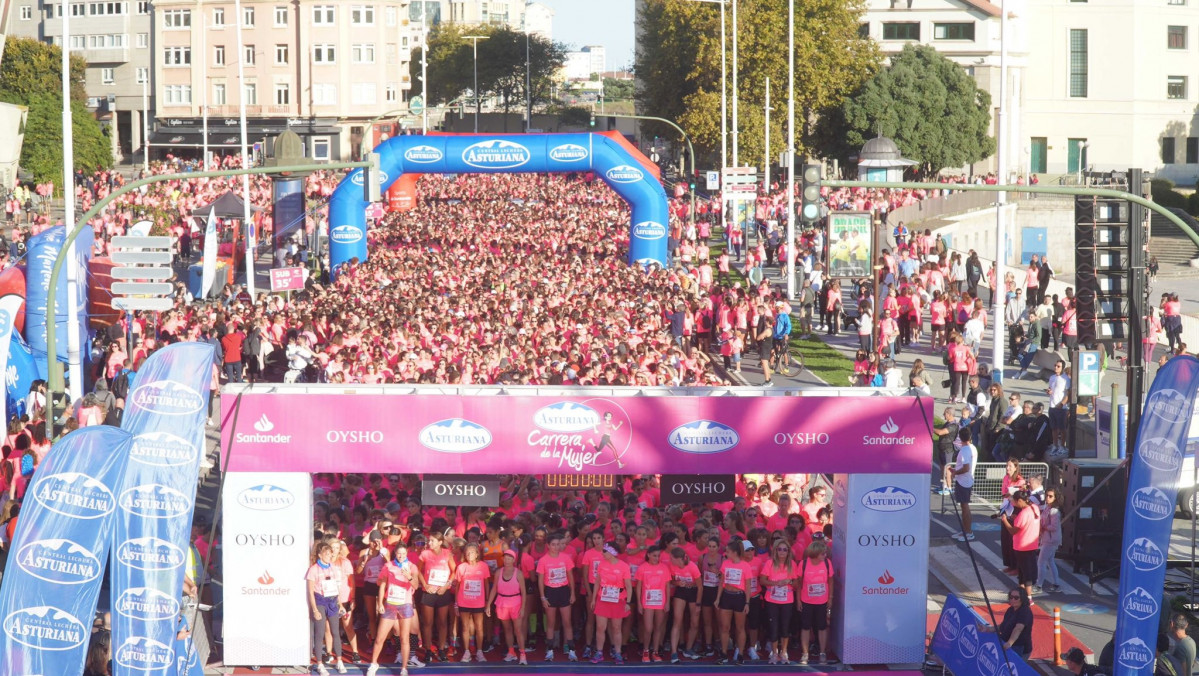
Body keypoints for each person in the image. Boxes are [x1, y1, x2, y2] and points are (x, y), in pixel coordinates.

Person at [366, 543, 425, 676]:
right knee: (380, 637)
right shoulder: (389, 566)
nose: (401, 556)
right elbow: (382, 584)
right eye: (399, 553)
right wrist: (380, 603)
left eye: (404, 554)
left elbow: (416, 585)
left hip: (405, 605)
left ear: (407, 554)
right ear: (395, 553)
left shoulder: (412, 566)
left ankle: (404, 668)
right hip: (390, 604)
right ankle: (373, 664)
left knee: (405, 638)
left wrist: (408, 576)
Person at [307, 542, 349, 675]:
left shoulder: (335, 568)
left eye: (330, 553)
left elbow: (337, 588)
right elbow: (310, 592)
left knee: (335, 632)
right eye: (326, 554)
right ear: (320, 555)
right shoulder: (313, 569)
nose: (329, 556)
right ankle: (319, 664)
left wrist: (340, 604)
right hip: (320, 601)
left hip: (332, 601)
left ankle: (340, 661)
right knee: (320, 634)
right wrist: (314, 609)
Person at [536, 532, 578, 661]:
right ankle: (549, 650)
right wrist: (543, 597)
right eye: (553, 545)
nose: (555, 547)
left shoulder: (565, 558)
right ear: (548, 546)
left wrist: (572, 593)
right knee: (551, 623)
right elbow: (540, 580)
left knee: (567, 622)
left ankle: (571, 650)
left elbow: (570, 576)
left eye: (557, 544)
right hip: (550, 592)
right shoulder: (543, 560)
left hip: (564, 591)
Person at [590, 542, 633, 664]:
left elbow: (629, 586)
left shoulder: (624, 566)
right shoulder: (601, 565)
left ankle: (618, 653)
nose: (602, 553)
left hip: (618, 600)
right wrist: (593, 599)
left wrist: (628, 602)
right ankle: (599, 652)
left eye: (605, 551)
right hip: (603, 599)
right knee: (600, 627)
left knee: (616, 628)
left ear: (612, 552)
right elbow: (597, 583)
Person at [485, 549, 529, 664]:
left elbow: (524, 592)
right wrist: (488, 604)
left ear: (513, 560)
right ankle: (511, 652)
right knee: (507, 629)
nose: (507, 560)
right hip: (502, 602)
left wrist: (523, 608)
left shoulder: (518, 573)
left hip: (516, 602)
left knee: (518, 630)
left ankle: (522, 654)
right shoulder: (499, 572)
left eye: (509, 558)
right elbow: (494, 588)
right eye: (505, 558)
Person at [760, 536, 798, 664]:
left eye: (785, 549)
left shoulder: (792, 564)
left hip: (787, 601)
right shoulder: (770, 563)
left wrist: (790, 581)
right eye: (779, 549)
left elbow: (797, 583)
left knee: (785, 627)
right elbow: (762, 580)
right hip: (772, 600)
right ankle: (774, 653)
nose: (782, 552)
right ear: (775, 551)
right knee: (773, 627)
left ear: (788, 551)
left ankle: (784, 652)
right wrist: (776, 583)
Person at [797, 538, 833, 665]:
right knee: (806, 627)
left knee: (822, 627)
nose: (825, 555)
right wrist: (798, 601)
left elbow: (830, 581)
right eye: (823, 553)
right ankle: (805, 653)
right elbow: (799, 583)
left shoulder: (827, 563)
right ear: (815, 553)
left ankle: (822, 653)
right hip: (806, 601)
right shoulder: (804, 564)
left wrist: (830, 598)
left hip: (822, 601)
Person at [454, 543, 491, 662]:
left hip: (479, 603)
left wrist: (487, 600)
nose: (470, 555)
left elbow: (486, 584)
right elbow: (457, 586)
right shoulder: (461, 567)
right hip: (464, 602)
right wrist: (456, 603)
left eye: (472, 552)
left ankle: (479, 652)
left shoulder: (483, 566)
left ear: (477, 554)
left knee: (479, 627)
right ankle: (466, 652)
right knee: (465, 627)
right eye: (467, 553)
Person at [1001, 490, 1041, 598]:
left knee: (1025, 574)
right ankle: (1022, 595)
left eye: (1014, 501)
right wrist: (1016, 519)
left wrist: (1005, 521)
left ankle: (1028, 598)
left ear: (1019, 500)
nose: (1014, 504)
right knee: (1023, 571)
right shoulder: (1034, 508)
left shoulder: (1023, 513)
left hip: (1022, 547)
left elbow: (1013, 531)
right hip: (1032, 545)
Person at [984, 587, 1034, 659]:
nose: (1013, 600)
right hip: (1006, 643)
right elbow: (1003, 626)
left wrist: (1009, 643)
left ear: (1022, 599)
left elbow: (1018, 628)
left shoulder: (1025, 612)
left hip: (1019, 647)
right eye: (1011, 597)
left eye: (1016, 598)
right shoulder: (1011, 609)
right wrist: (987, 629)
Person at [948, 428, 977, 541]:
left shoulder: (964, 450)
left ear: (960, 437)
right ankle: (965, 530)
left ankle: (969, 532)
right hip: (966, 480)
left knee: (965, 507)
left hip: (963, 482)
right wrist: (955, 469)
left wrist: (955, 472)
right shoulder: (973, 448)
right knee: (964, 507)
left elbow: (966, 468)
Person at [1035, 488, 1062, 593]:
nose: (1047, 498)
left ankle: (1039, 586)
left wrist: (1043, 526)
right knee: (1050, 561)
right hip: (1049, 538)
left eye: (1050, 496)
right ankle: (1056, 583)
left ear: (1055, 498)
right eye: (1047, 495)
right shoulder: (1048, 508)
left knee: (1041, 562)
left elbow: (1054, 527)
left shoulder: (1054, 511)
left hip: (1050, 540)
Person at [1047, 361, 1071, 454]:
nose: (1056, 367)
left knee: (1062, 428)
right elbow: (1051, 388)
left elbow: (1068, 393)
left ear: (1062, 368)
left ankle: (1062, 445)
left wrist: (1062, 404)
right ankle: (1055, 444)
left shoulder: (1065, 379)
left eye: (1058, 366)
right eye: (1055, 365)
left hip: (1061, 408)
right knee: (1054, 428)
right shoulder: (1052, 377)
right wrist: (1049, 391)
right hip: (1052, 405)